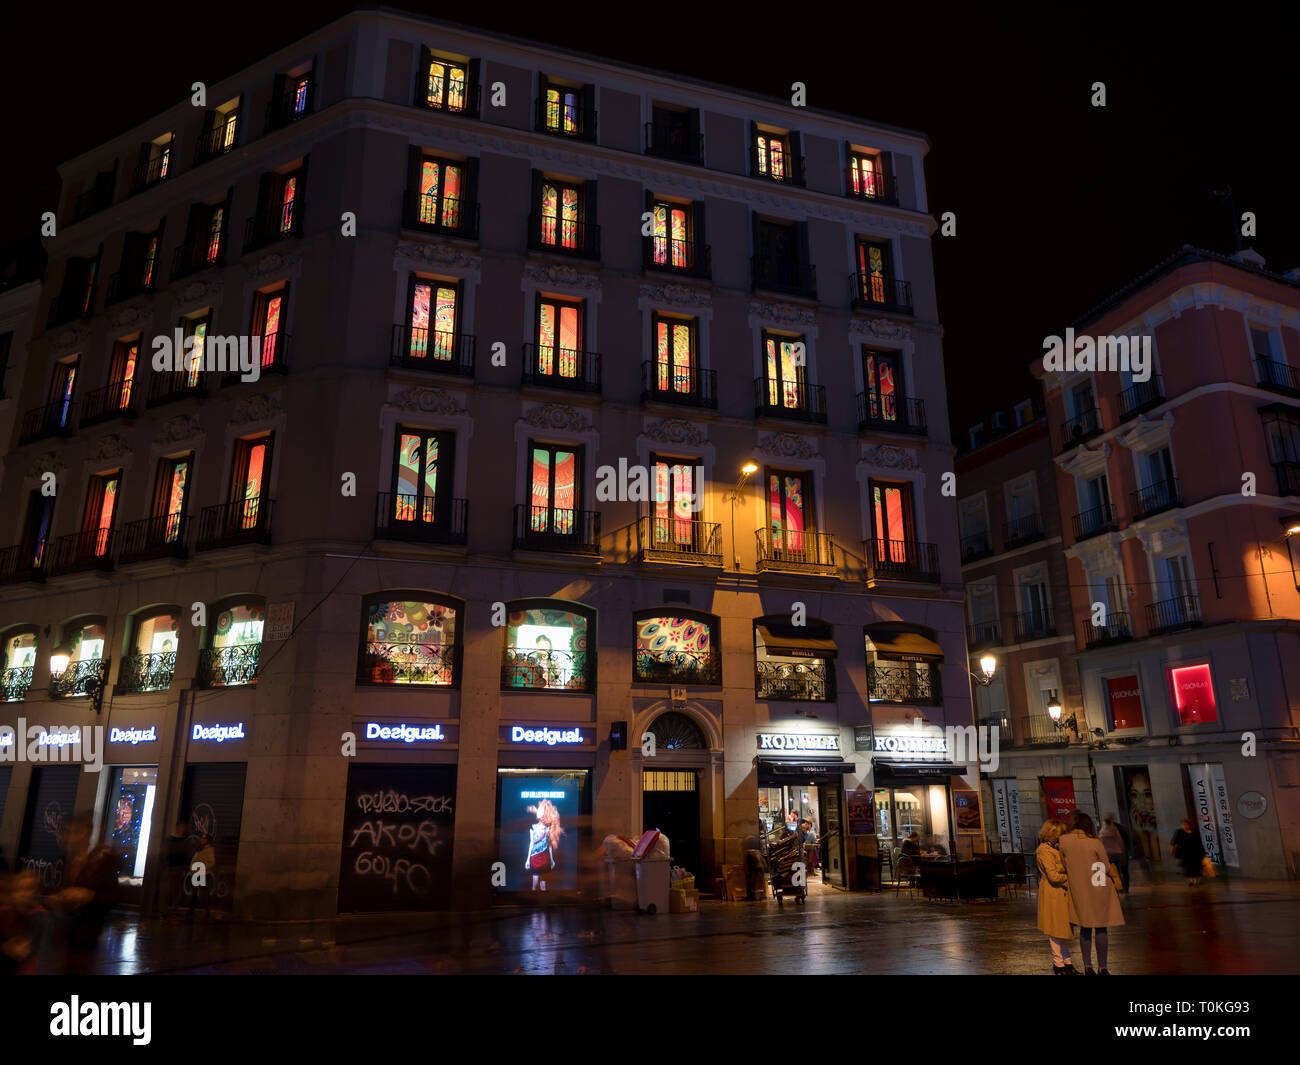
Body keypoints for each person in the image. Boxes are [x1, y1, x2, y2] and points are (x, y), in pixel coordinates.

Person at [49, 818, 119, 975]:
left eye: (68, 833)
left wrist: (88, 896)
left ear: (83, 833)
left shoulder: (102, 861)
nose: (63, 838)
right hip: (69, 934)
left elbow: (112, 897)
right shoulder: (76, 861)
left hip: (85, 934)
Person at [1058, 811, 1124, 974]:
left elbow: (1063, 864)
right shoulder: (1094, 842)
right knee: (1101, 928)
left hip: (1078, 889)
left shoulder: (1064, 840)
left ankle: (1087, 966)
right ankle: (1103, 967)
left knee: (1085, 927)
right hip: (1098, 885)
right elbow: (1106, 867)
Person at [1035, 820, 1076, 975]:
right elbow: (1053, 876)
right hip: (1053, 892)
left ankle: (1067, 962)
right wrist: (1069, 876)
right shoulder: (1044, 850)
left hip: (1061, 892)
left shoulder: (1057, 848)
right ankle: (1059, 963)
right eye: (1060, 834)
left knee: (1063, 928)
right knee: (1055, 929)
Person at [0, 871, 47, 975]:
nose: (24, 894)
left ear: (37, 893)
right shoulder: (7, 913)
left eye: (29, 889)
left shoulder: (40, 917)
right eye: (19, 889)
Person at [525, 799, 563, 891]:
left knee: (543, 886)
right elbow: (531, 843)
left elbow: (549, 845)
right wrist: (528, 859)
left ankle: (543, 902)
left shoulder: (548, 828)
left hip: (545, 857)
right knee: (534, 885)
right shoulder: (532, 827)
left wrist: (552, 859)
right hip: (535, 856)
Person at [164, 821, 191, 917]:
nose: (183, 829)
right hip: (173, 866)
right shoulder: (171, 839)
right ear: (178, 827)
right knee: (172, 888)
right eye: (182, 827)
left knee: (177, 888)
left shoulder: (184, 839)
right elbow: (167, 853)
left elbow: (185, 854)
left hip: (179, 867)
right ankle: (168, 908)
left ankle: (174, 908)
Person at [187, 835, 216, 921]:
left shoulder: (209, 850)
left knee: (203, 894)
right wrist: (192, 868)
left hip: (203, 874)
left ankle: (206, 913)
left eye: (204, 838)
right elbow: (194, 860)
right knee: (194, 894)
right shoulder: (199, 849)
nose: (202, 839)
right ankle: (192, 912)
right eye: (202, 838)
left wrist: (200, 868)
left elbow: (212, 862)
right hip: (196, 874)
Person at [1100, 813, 1131, 893]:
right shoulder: (1117, 829)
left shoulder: (1103, 831)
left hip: (1109, 855)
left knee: (1114, 872)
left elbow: (1101, 843)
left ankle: (1118, 888)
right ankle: (1125, 888)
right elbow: (1121, 842)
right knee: (1123, 871)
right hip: (1119, 853)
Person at [1170, 818, 1206, 885]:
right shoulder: (1179, 832)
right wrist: (1172, 849)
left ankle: (1197, 880)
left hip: (1196, 853)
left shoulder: (1195, 832)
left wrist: (1203, 854)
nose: (1184, 826)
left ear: (1189, 825)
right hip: (1185, 853)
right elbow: (1173, 842)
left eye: (1186, 824)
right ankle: (1191, 881)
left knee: (1197, 867)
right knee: (1188, 868)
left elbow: (1200, 843)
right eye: (1183, 824)